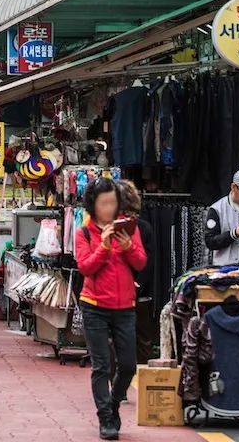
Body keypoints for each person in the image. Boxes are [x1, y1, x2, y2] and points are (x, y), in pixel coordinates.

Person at [75, 177, 147, 440]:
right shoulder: (84, 232)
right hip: (94, 305)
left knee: (128, 365)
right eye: (104, 203)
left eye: (113, 203)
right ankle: (106, 418)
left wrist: (127, 246)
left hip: (125, 306)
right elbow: (86, 268)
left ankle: (114, 402)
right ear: (93, 205)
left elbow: (140, 262)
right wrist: (104, 247)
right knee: (101, 366)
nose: (109, 208)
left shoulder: (128, 228)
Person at [117, 179, 157, 366]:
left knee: (116, 339)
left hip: (116, 290)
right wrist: (139, 284)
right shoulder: (144, 227)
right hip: (139, 291)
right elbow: (149, 261)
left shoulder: (107, 227)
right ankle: (144, 381)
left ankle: (120, 385)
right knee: (142, 339)